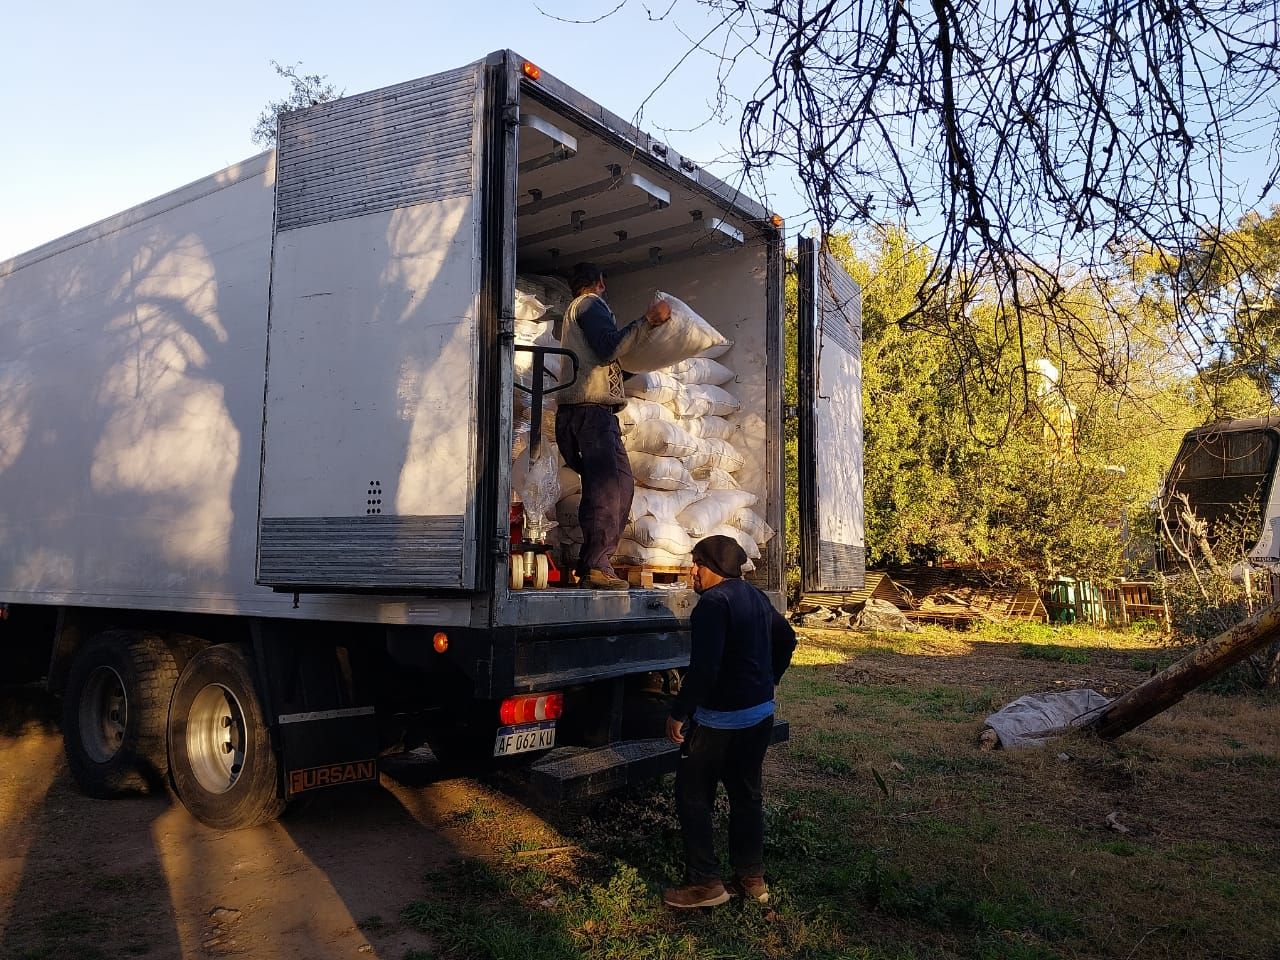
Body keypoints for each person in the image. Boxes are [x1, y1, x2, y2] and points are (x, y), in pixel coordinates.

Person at [662, 535, 797, 909]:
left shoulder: (712, 605)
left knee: (692, 794)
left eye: (698, 563)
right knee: (746, 794)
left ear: (715, 568)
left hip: (719, 722)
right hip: (759, 717)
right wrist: (771, 679)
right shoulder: (754, 597)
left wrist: (678, 712)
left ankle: (705, 883)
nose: (693, 570)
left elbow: (705, 669)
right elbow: (787, 638)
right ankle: (751, 878)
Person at [555, 262, 670, 590]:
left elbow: (606, 362)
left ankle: (594, 561)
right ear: (600, 283)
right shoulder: (590, 305)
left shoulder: (579, 315)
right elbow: (608, 348)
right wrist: (647, 321)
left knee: (616, 485)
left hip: (589, 413)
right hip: (590, 413)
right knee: (607, 488)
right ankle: (594, 564)